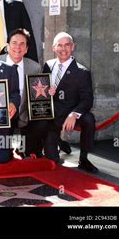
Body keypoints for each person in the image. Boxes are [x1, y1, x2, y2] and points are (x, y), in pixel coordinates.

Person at [43, 32, 98, 173]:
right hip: (52, 117)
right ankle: (59, 142)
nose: (63, 49)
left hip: (70, 115)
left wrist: (74, 114)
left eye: (67, 45)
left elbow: (87, 99)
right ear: (54, 48)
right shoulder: (47, 66)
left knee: (89, 118)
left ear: (72, 47)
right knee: (52, 160)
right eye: (59, 45)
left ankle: (84, 159)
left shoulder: (82, 72)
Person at [0, 28, 43, 156]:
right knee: (3, 155)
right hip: (3, 114)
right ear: (7, 46)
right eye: (14, 43)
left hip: (25, 113)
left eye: (22, 44)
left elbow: (37, 96)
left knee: (44, 121)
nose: (18, 47)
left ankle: (24, 148)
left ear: (27, 49)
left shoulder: (35, 67)